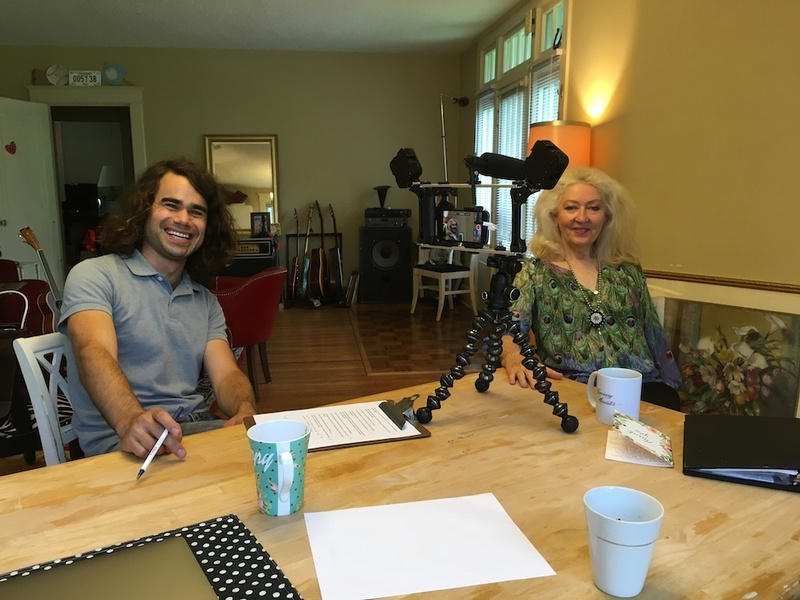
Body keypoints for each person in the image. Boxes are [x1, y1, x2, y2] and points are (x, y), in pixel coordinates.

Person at [57, 158, 257, 458]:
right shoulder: (95, 275)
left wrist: (244, 408)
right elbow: (92, 353)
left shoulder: (204, 300)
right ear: (144, 210)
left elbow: (226, 374)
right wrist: (130, 422)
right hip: (122, 445)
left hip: (198, 433)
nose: (184, 219)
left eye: (197, 211)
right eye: (171, 205)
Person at [500, 167, 682, 408]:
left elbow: (653, 332)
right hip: (573, 389)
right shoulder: (535, 272)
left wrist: (672, 388)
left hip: (640, 388)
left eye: (594, 208)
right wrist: (513, 357)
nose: (582, 218)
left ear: (607, 216)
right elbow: (509, 332)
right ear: (554, 215)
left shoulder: (627, 269)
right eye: (571, 207)